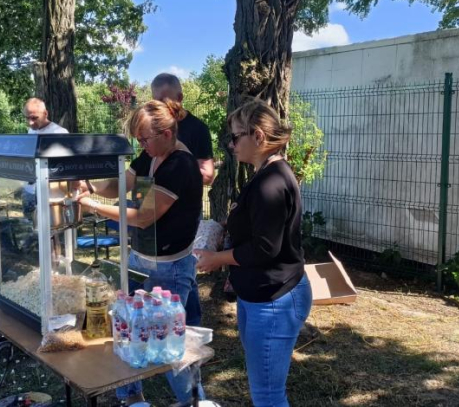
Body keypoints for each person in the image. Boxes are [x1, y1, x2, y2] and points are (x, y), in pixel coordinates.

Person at [77, 99, 205, 406]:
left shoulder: (180, 165)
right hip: (140, 258)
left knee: (170, 342)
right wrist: (92, 188)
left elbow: (144, 216)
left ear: (168, 132)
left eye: (145, 138)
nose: (141, 145)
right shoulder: (151, 156)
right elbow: (123, 184)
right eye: (138, 139)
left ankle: (192, 401)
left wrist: (93, 207)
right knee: (124, 327)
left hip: (170, 268)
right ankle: (131, 395)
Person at [194, 99, 312, 407]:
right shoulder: (265, 175)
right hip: (261, 296)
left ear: (257, 136)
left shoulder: (269, 183)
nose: (231, 145)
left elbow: (264, 249)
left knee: (268, 395)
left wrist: (217, 259)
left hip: (274, 299)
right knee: (264, 388)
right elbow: (259, 228)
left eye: (235, 137)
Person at [151, 73, 213, 326]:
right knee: (176, 273)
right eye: (157, 101)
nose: (163, 107)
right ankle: (184, 323)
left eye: (168, 102)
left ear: (181, 98)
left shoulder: (197, 129)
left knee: (184, 267)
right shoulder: (153, 126)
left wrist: (179, 167)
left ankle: (190, 325)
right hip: (158, 207)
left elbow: (208, 175)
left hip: (185, 212)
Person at [22, 97, 69, 219]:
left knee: (52, 229)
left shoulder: (59, 133)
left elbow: (65, 167)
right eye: (27, 118)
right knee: (31, 226)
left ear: (45, 113)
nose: (30, 123)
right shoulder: (30, 131)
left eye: (34, 118)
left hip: (50, 193)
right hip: (30, 190)